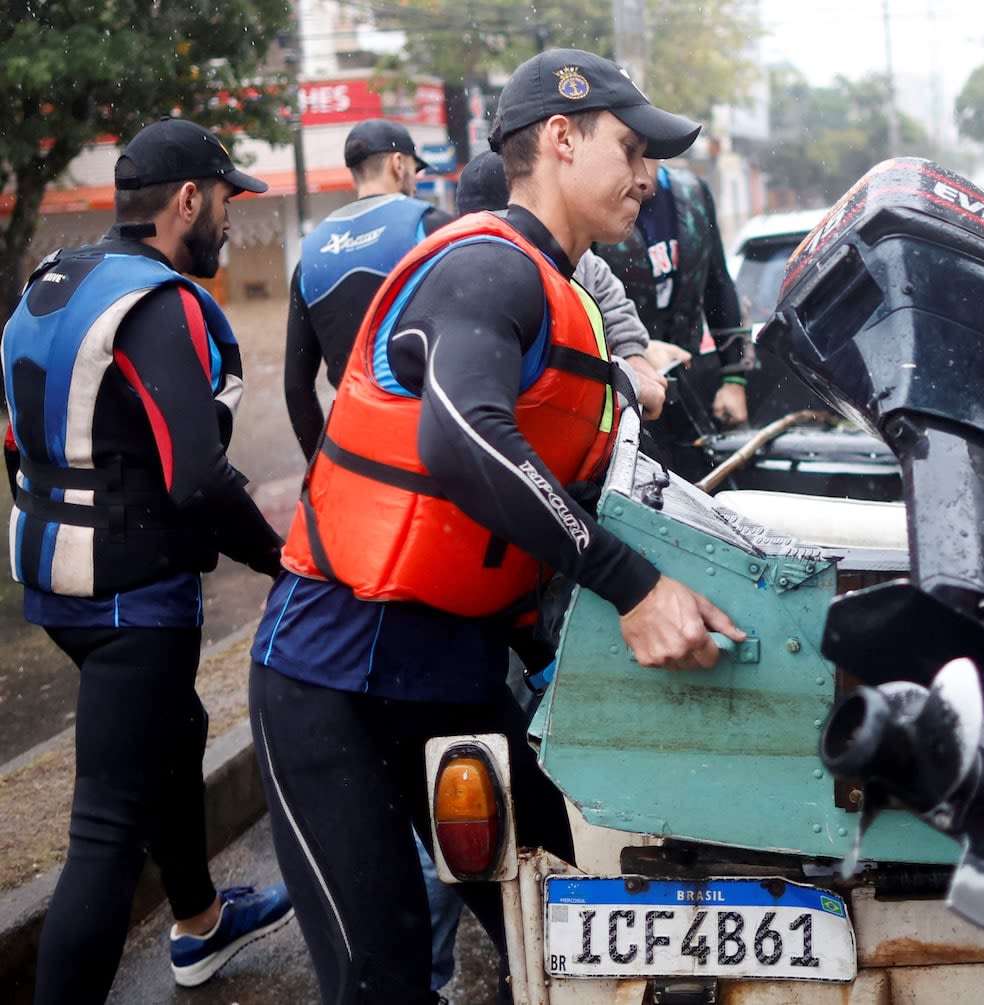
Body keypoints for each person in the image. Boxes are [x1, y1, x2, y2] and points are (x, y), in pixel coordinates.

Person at [248, 50, 745, 1004]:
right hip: (328, 675)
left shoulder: (568, 297)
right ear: (561, 139)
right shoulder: (486, 267)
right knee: (378, 975)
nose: (650, 177)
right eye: (632, 149)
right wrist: (632, 587)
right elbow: (464, 436)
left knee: (579, 936)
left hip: (449, 671)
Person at [1, 117, 293, 1003]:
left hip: (52, 581)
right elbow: (198, 480)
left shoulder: (55, 280)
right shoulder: (157, 302)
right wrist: (286, 561)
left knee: (178, 732)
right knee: (105, 830)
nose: (231, 226)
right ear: (188, 199)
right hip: (130, 598)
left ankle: (200, 924)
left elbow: (22, 442)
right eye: (226, 204)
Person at [284, 120, 455, 460]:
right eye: (413, 170)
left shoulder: (311, 253)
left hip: (355, 444)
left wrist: (321, 464)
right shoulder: (430, 226)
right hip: (430, 441)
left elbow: (296, 388)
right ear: (398, 164)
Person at [459, 150, 668, 422]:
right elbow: (552, 382)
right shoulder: (476, 278)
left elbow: (611, 303)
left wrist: (634, 354)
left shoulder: (576, 256)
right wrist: (633, 384)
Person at [595, 158, 750, 427]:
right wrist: (635, 350)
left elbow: (718, 284)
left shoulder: (694, 194)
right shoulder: (593, 205)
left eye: (646, 150)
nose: (639, 170)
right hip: (622, 393)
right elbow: (579, 300)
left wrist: (734, 378)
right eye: (628, 150)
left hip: (688, 379)